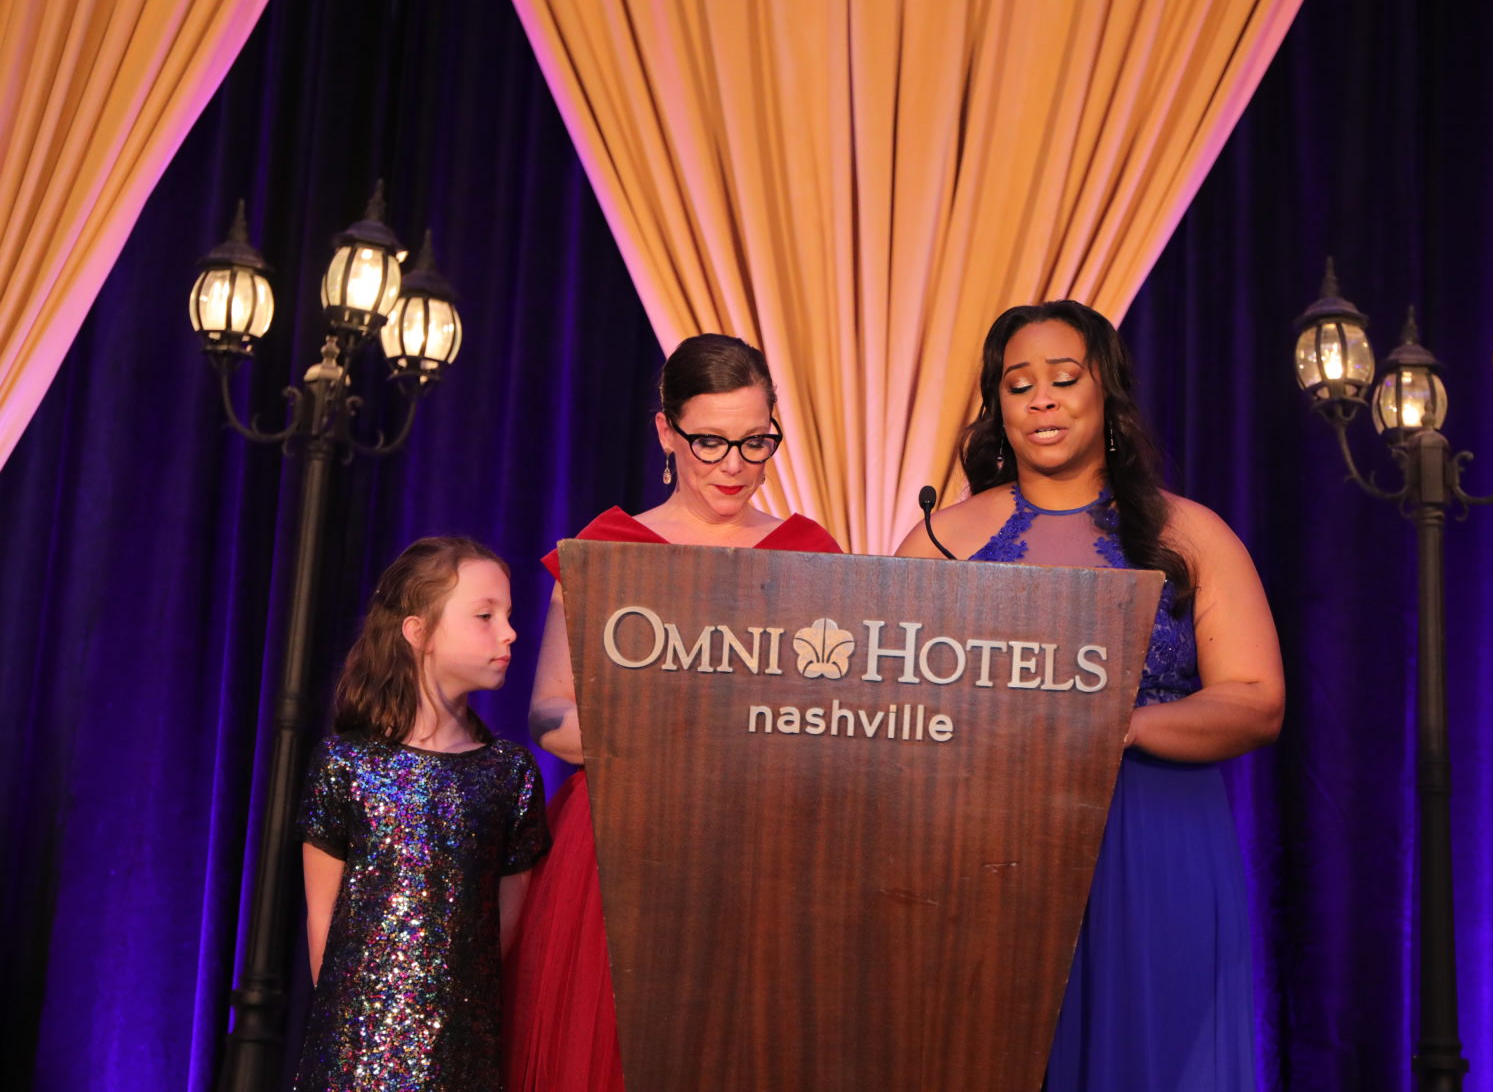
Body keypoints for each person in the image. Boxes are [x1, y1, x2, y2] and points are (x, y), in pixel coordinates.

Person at [896, 300, 1284, 1091]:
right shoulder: (940, 540)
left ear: (1105, 390)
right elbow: (892, 703)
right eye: (1018, 385)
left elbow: (1255, 699)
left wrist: (1118, 726)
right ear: (997, 407)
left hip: (1154, 835)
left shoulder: (1191, 534)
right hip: (983, 847)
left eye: (1064, 379)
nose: (1041, 399)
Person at [505, 333, 841, 1092]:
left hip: (765, 847)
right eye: (710, 442)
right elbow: (549, 713)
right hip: (623, 838)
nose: (734, 465)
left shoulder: (811, 554)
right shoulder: (610, 547)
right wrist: (664, 737)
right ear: (666, 431)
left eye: (756, 442)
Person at [295, 536, 550, 1092]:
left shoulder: (508, 774)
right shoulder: (347, 764)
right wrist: (352, 1042)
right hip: (355, 1052)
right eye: (485, 616)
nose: (509, 633)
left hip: (460, 1050)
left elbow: (500, 933)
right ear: (418, 632)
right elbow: (324, 922)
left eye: (508, 616)